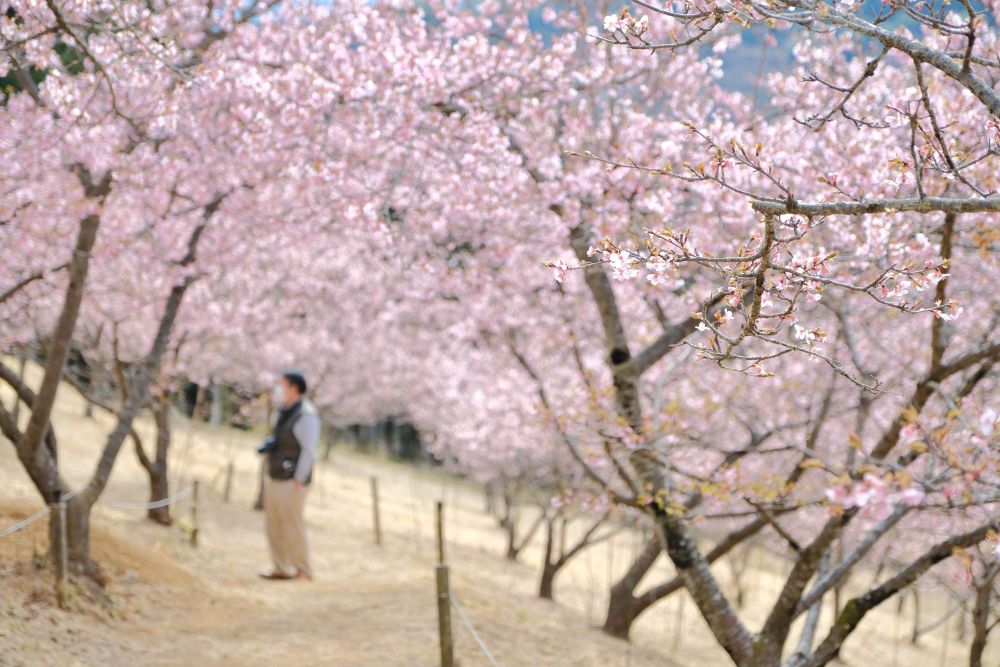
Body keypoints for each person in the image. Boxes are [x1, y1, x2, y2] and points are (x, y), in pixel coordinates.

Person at [259, 370, 320, 580]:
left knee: (292, 524)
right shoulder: (285, 410)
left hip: (293, 481)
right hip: (276, 475)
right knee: (273, 524)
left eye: (282, 385)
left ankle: (302, 568)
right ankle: (280, 566)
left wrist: (299, 479)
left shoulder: (306, 414)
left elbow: (308, 450)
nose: (279, 389)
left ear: (294, 387)